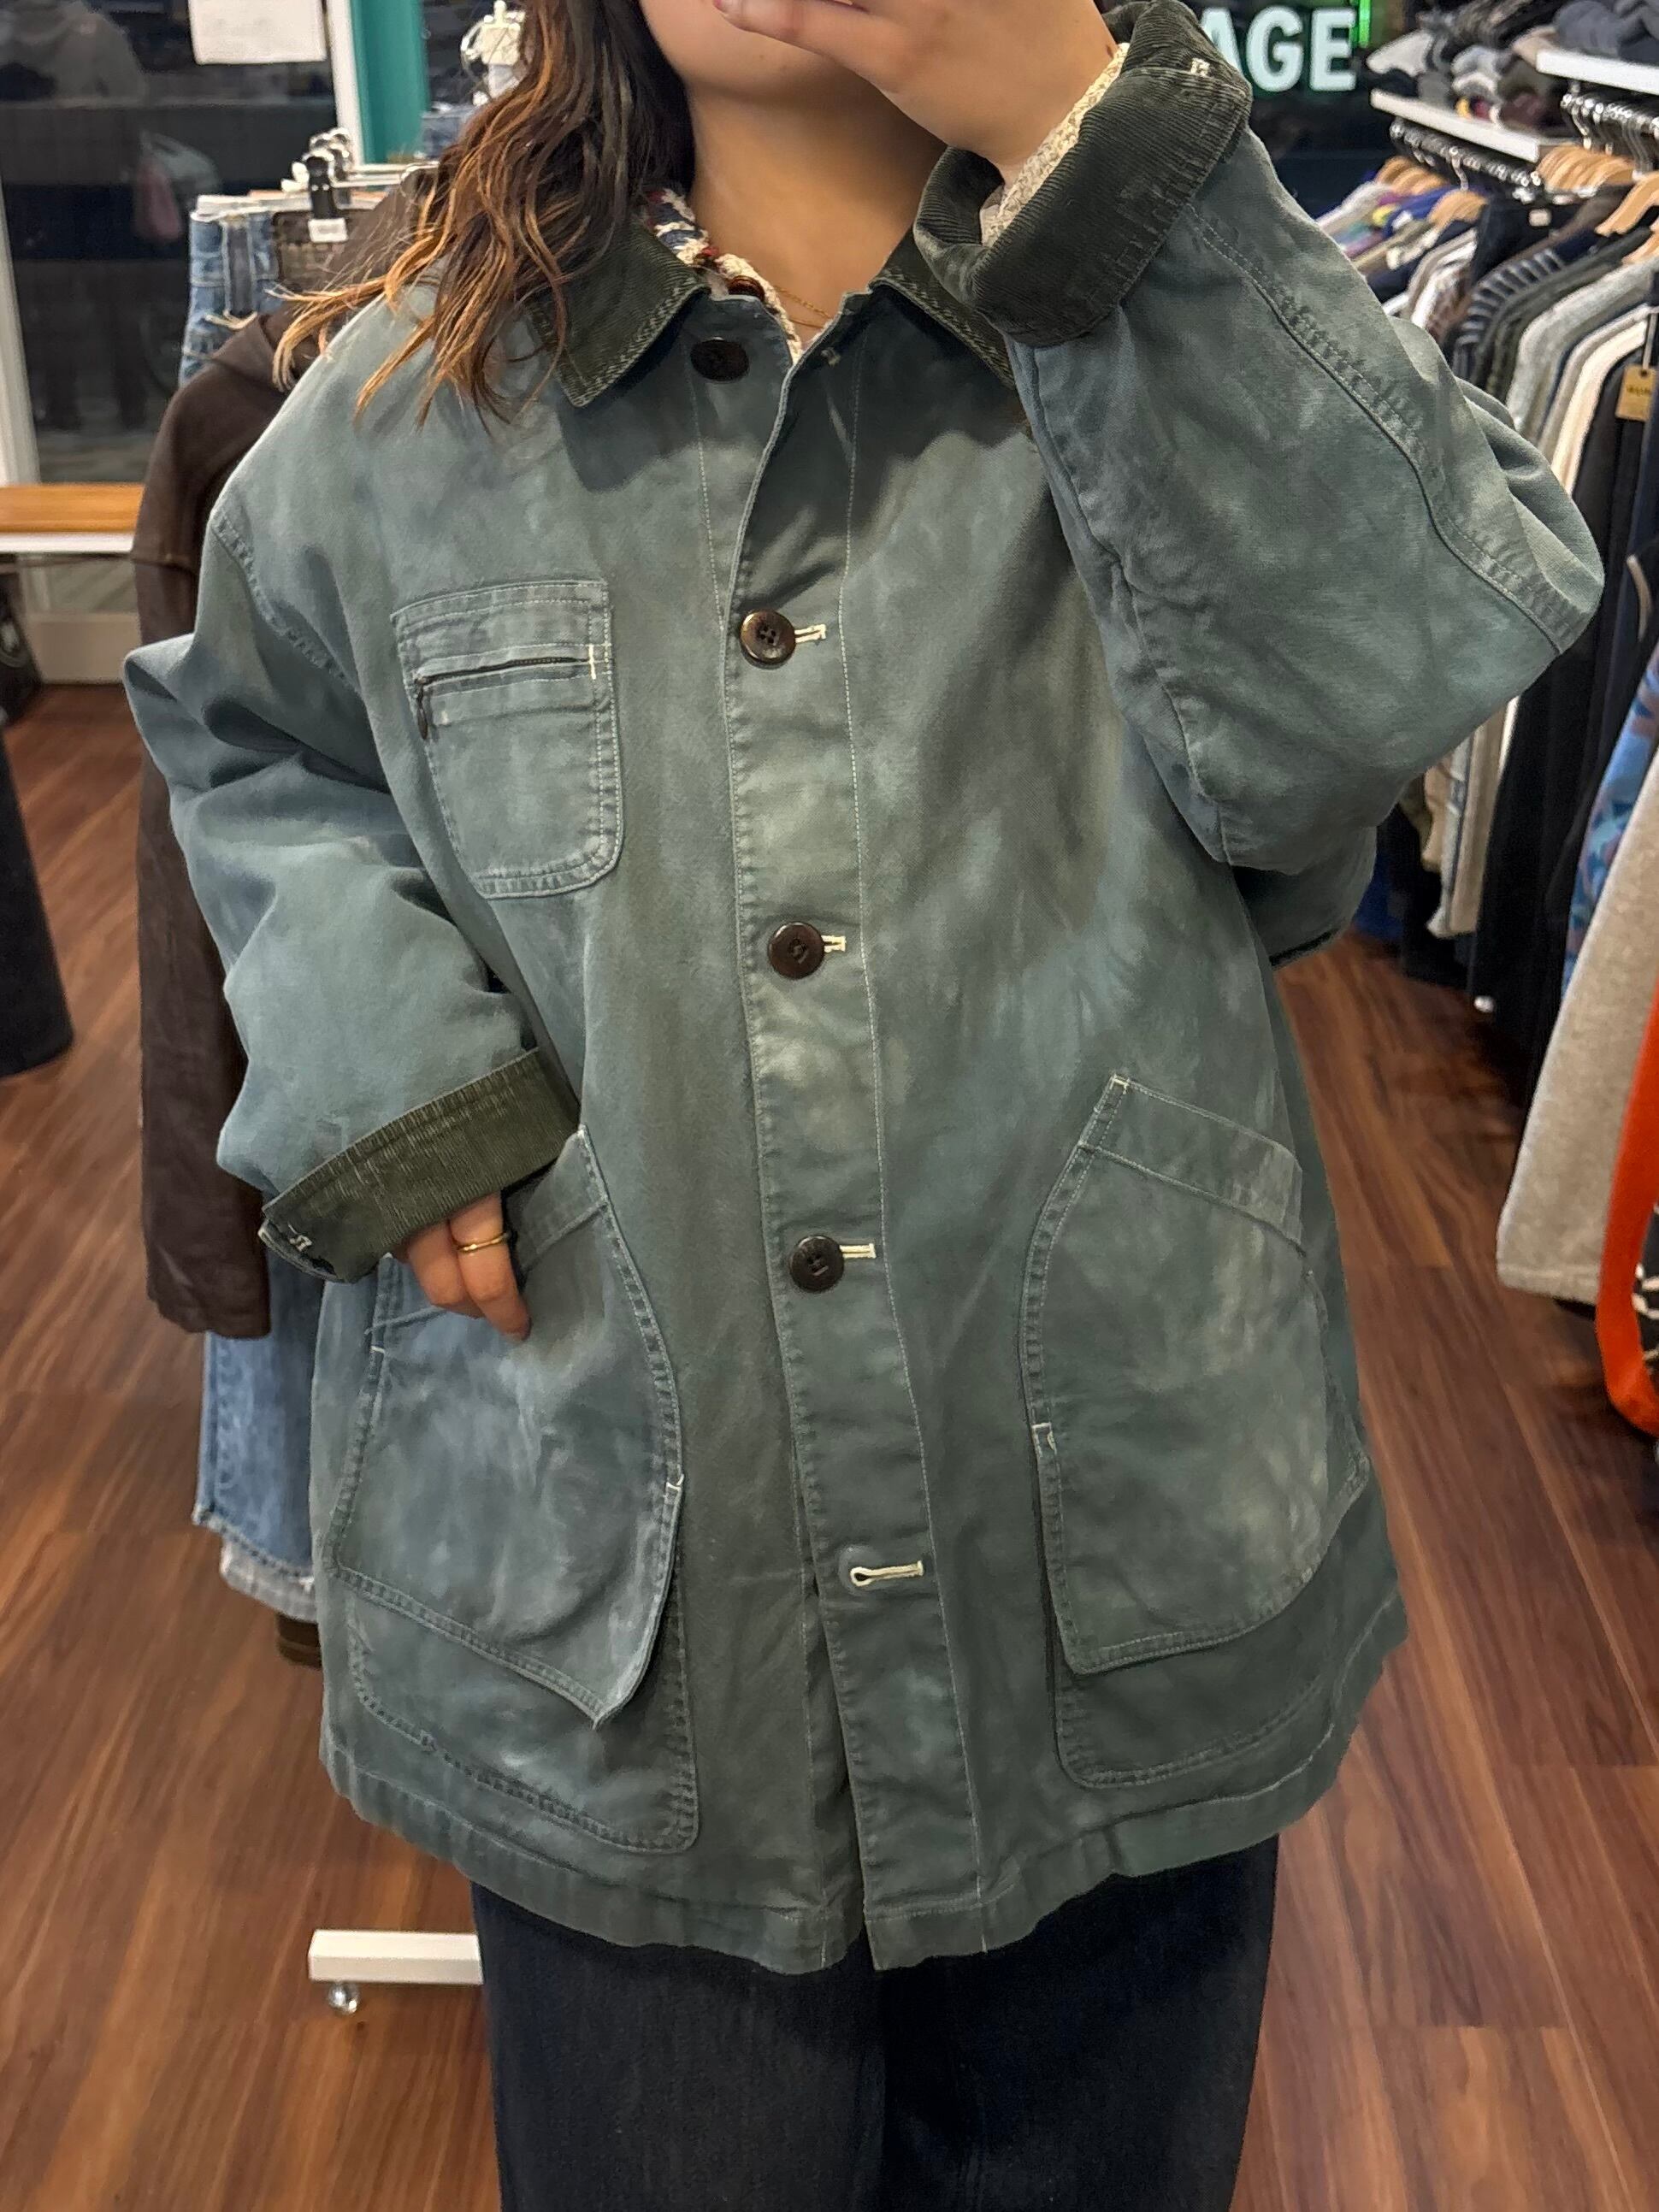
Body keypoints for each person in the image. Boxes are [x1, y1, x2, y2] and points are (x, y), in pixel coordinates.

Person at [124, 1, 1601, 2204]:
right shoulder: (428, 396)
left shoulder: (1192, 336)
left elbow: (1350, 745)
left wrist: (1080, 131)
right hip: (627, 1604)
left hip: (1104, 1566)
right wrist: (394, 1067)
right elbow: (259, 738)